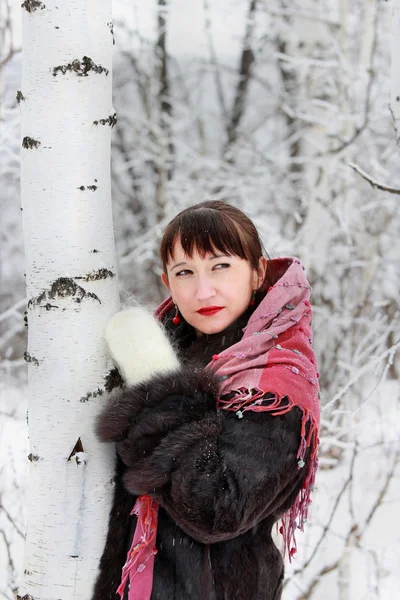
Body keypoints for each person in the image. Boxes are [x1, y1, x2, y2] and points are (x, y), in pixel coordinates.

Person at [92, 200, 320, 600]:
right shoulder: (177, 350)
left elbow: (218, 509)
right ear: (168, 283)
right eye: (185, 273)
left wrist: (157, 382)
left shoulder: (275, 382)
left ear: (257, 272)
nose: (203, 289)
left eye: (220, 266)